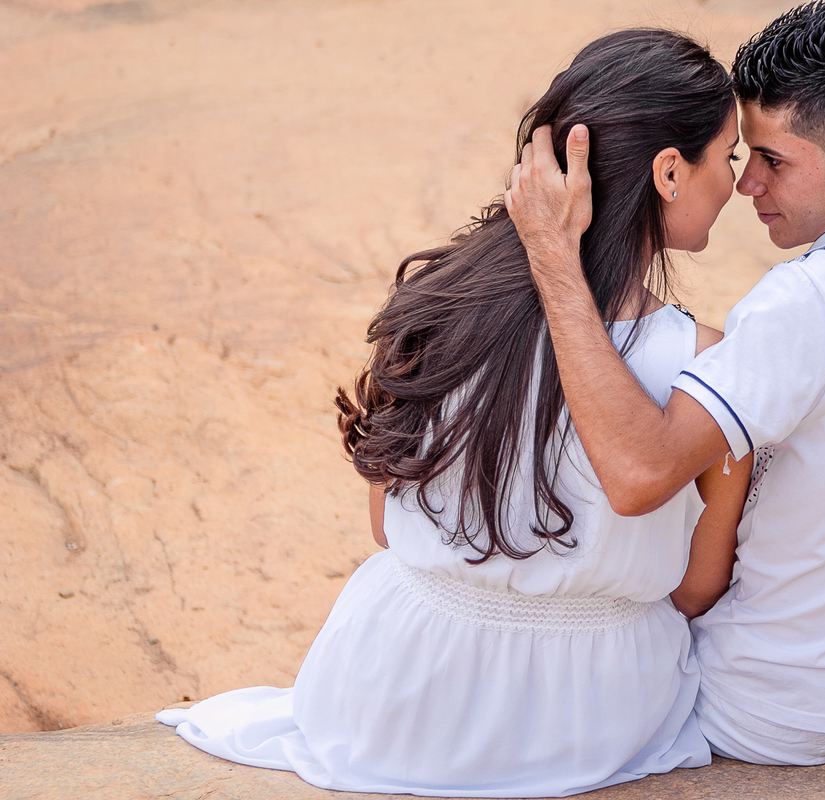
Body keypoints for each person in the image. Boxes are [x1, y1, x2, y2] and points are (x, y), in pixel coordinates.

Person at [156, 29, 753, 796]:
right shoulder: (704, 365)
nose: (736, 181)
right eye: (729, 156)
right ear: (670, 172)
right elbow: (697, 589)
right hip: (588, 716)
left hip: (386, 694)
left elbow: (386, 526)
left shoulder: (441, 303)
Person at [504, 1, 825, 767]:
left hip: (769, 709)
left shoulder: (806, 301)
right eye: (744, 155)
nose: (747, 183)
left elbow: (638, 473)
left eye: (772, 160)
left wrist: (554, 259)